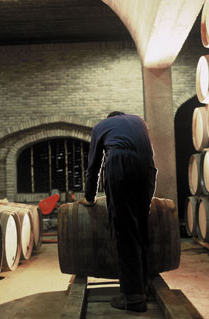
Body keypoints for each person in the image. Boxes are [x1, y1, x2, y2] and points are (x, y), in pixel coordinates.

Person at [80, 111, 157, 312]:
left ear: (109, 119)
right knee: (141, 229)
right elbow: (149, 152)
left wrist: (89, 196)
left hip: (121, 164)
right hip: (147, 167)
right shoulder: (140, 121)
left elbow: (94, 166)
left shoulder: (100, 127)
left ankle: (133, 298)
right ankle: (142, 287)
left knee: (124, 231)